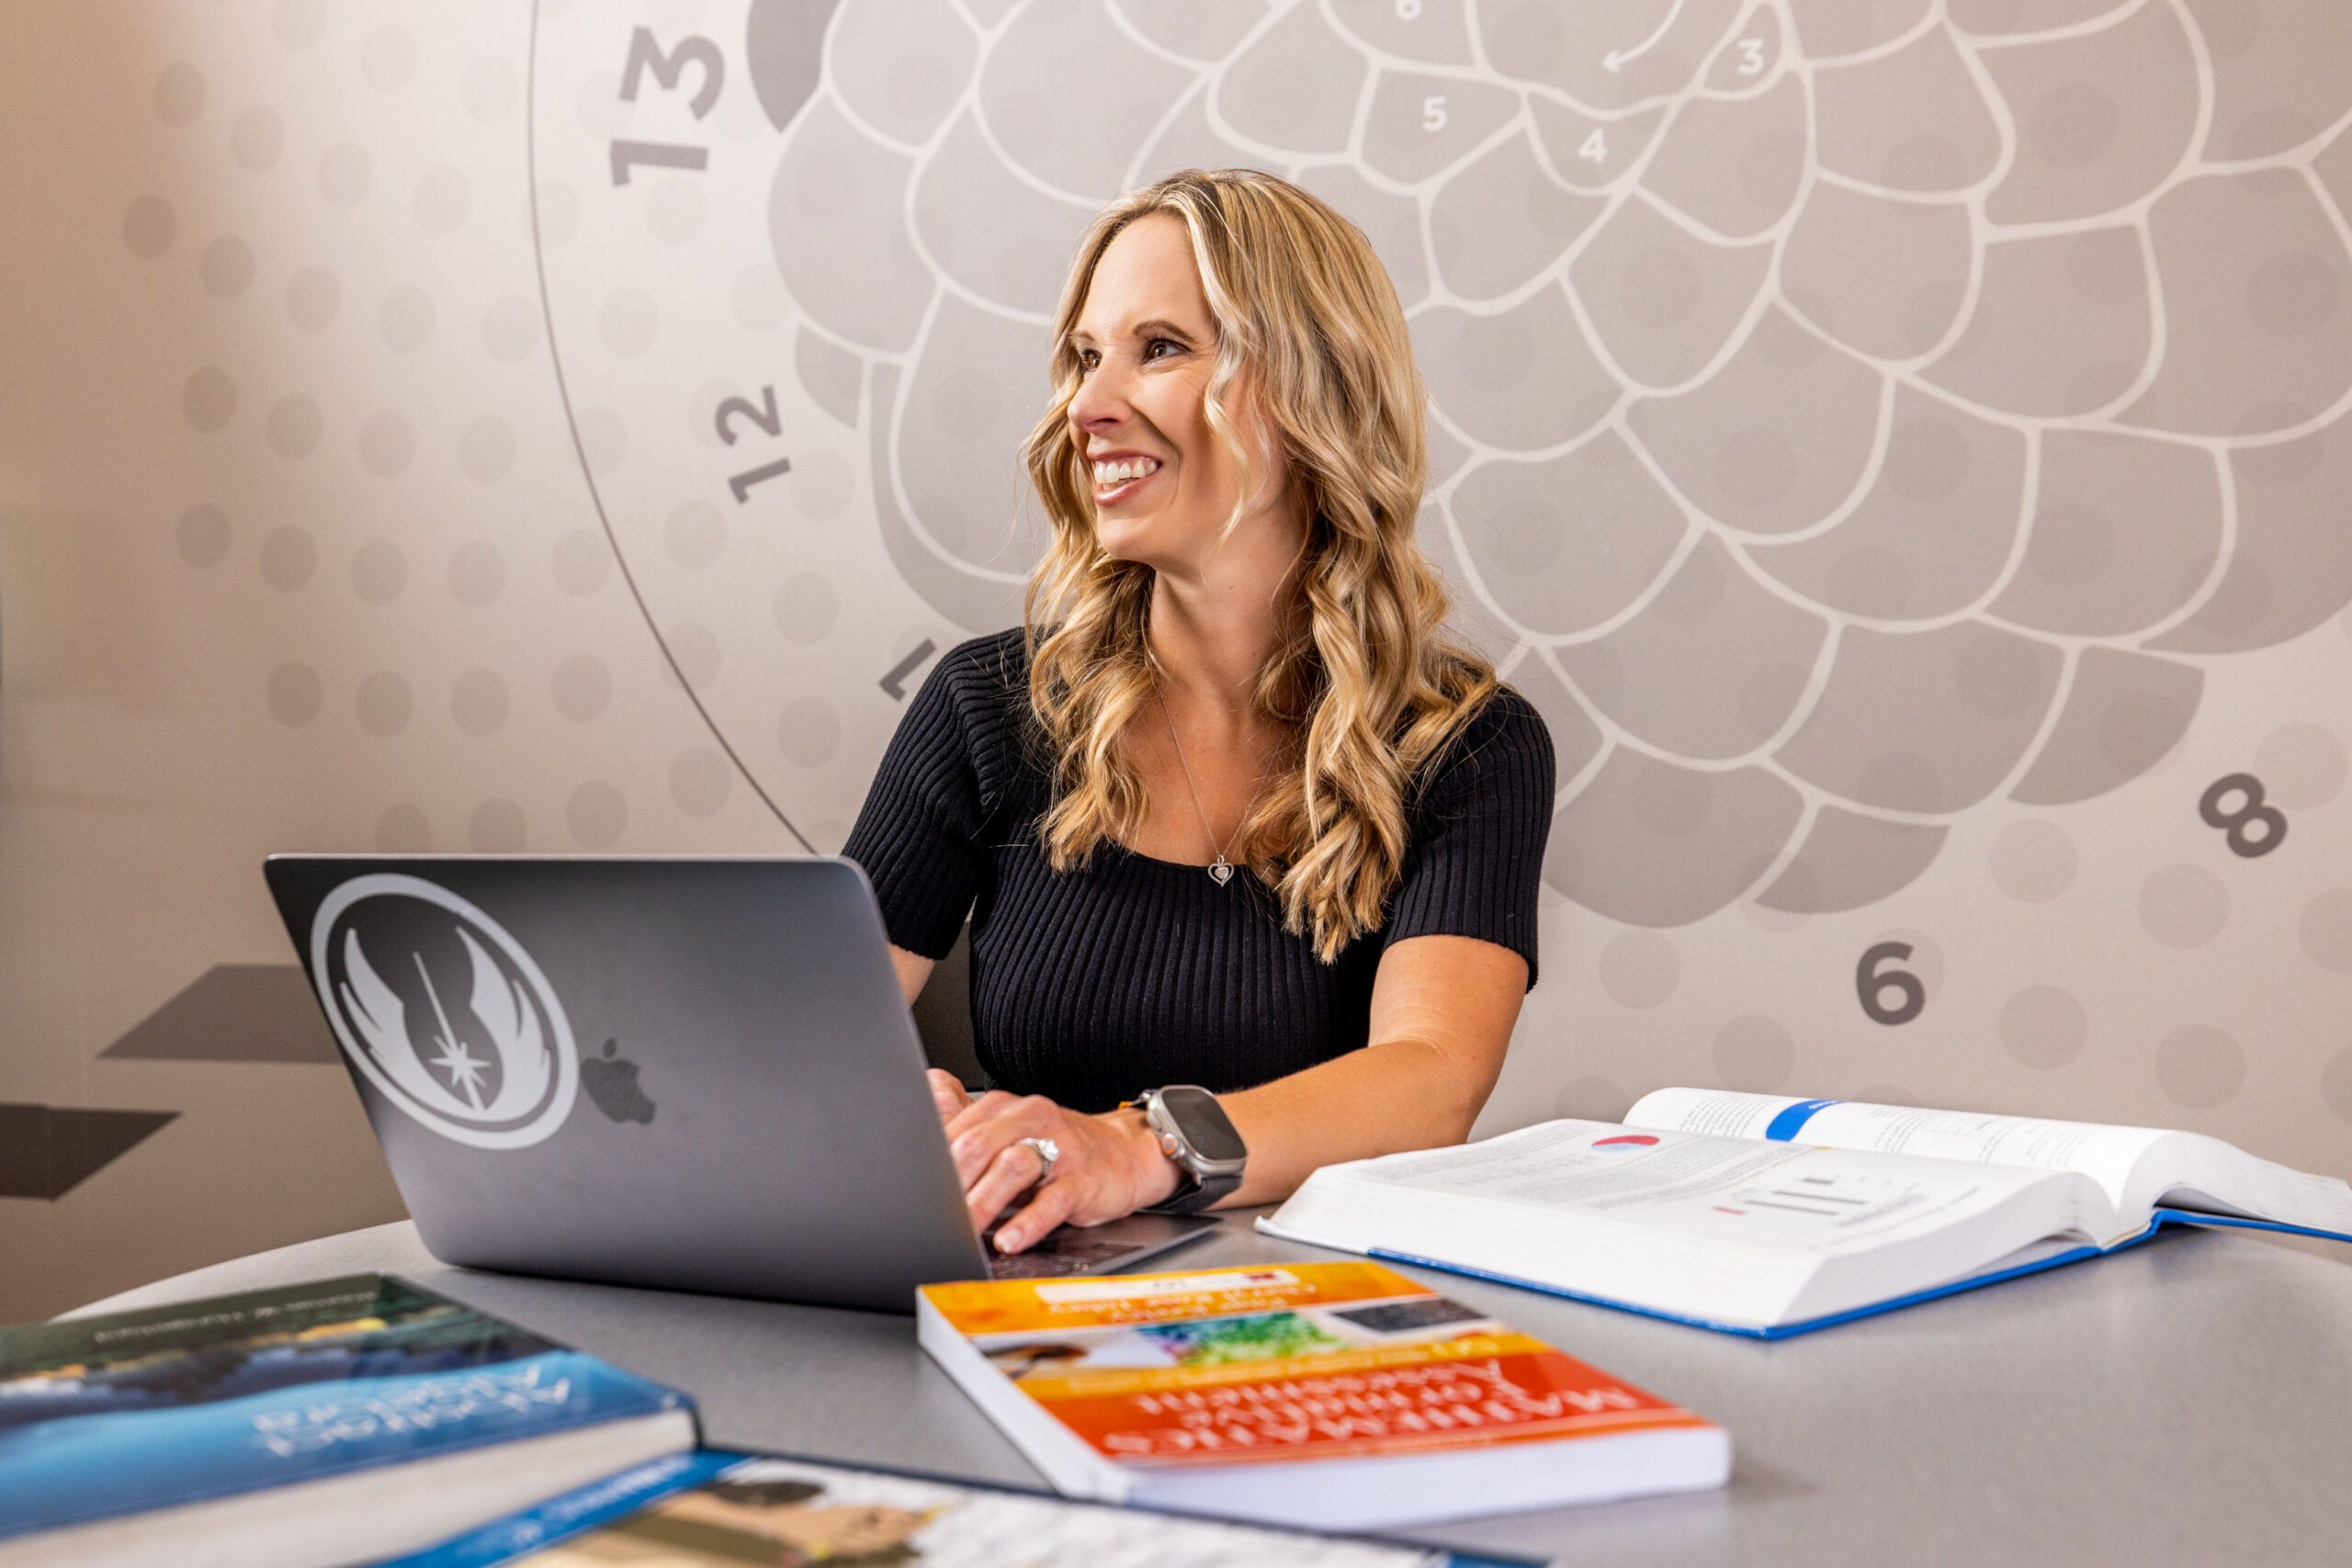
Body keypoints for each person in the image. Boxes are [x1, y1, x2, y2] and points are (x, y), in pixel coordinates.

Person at [842, 167, 1555, 1256]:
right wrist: (913, 1111)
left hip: (1319, 1320)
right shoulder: (988, 704)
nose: (1086, 407)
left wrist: (1134, 1150)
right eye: (1086, 357)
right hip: (1031, 1303)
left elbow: (1432, 1080)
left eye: (1159, 348)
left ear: (1309, 387)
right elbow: (816, 1038)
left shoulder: (1464, 746)